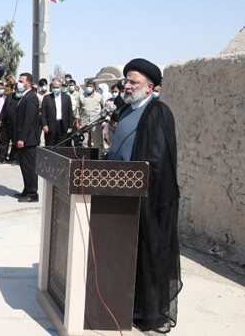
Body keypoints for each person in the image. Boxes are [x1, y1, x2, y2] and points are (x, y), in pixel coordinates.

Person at [106, 58, 181, 334]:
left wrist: (133, 179)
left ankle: (146, 313)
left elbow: (158, 160)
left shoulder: (158, 113)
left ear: (149, 87)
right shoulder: (125, 111)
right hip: (120, 195)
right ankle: (123, 304)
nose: (127, 86)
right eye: (126, 80)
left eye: (133, 82)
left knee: (147, 257)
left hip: (148, 201)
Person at [13, 73, 40, 203]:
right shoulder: (25, 97)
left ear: (28, 83)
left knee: (29, 166)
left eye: (21, 81)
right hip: (24, 138)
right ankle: (26, 189)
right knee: (24, 166)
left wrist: (22, 138)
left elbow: (28, 121)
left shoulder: (30, 98)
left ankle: (33, 193)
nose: (18, 83)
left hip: (28, 139)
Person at [41, 79, 74, 146]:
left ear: (61, 87)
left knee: (62, 146)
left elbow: (69, 112)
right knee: (50, 145)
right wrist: (44, 125)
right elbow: (43, 113)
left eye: (57, 87)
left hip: (62, 125)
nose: (55, 89)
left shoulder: (67, 98)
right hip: (50, 125)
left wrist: (70, 126)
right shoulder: (47, 98)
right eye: (54, 87)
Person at [77, 80, 104, 148]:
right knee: (84, 141)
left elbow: (103, 108)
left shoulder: (99, 96)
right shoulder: (81, 96)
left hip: (96, 122)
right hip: (84, 122)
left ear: (94, 88)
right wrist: (77, 122)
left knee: (96, 141)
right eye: (88, 86)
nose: (89, 88)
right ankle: (84, 156)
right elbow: (78, 109)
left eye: (91, 86)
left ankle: (97, 157)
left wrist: (102, 121)